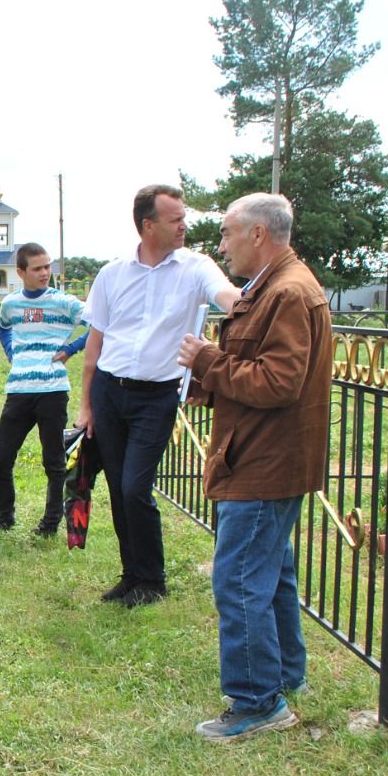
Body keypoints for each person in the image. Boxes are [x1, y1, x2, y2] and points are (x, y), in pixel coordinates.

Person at [177, 193, 332, 741]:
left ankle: (256, 702)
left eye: (226, 233)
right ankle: (284, 675)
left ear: (258, 235)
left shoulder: (288, 292)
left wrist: (208, 363)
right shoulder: (273, 288)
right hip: (263, 454)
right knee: (271, 575)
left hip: (265, 461)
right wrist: (212, 383)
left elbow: (278, 383)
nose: (222, 245)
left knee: (239, 578)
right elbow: (261, 371)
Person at [79, 184, 240, 606]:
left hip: (157, 396)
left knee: (135, 486)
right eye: (175, 219)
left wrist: (251, 303)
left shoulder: (195, 268)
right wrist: (86, 405)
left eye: (183, 217)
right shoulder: (112, 274)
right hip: (109, 392)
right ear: (148, 226)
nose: (184, 225)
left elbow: (225, 294)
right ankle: (132, 576)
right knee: (117, 486)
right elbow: (94, 344)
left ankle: (153, 580)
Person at [0, 242, 86, 537]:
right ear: (21, 272)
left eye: (47, 266)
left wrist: (70, 349)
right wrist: (11, 352)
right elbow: (3, 327)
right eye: (38, 268)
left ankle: (50, 523)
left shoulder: (64, 302)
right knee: (1, 459)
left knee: (53, 461)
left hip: (53, 390)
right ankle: (4, 518)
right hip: (19, 390)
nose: (45, 273)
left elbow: (97, 324)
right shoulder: (11, 304)